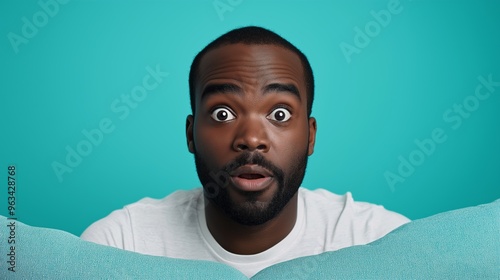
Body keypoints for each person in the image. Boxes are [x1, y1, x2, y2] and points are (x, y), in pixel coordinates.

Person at [81, 26, 410, 278]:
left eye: (279, 114)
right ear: (191, 134)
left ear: (310, 136)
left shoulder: (380, 242)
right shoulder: (120, 246)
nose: (252, 139)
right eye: (222, 113)